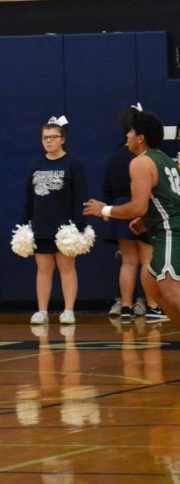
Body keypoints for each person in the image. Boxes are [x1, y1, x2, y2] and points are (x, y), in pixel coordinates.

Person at [84, 110, 180, 328]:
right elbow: (171, 201)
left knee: (172, 294)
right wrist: (146, 221)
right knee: (156, 291)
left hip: (170, 231)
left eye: (131, 132)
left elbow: (138, 206)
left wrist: (105, 210)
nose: (126, 136)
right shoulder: (167, 160)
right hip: (163, 230)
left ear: (140, 138)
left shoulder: (140, 163)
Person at [20, 117, 88, 326]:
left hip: (65, 228)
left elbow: (81, 196)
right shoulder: (36, 165)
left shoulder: (73, 165)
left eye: (53, 137)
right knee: (43, 268)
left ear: (62, 139)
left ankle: (68, 310)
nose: (48, 141)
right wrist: (26, 224)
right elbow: (28, 197)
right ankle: (42, 311)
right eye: (45, 138)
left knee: (67, 267)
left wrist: (78, 225)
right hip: (41, 225)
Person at [102, 106, 167, 323]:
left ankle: (127, 307)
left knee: (128, 262)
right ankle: (152, 307)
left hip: (123, 209)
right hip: (143, 209)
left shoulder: (114, 157)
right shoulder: (148, 158)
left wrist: (110, 209)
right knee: (147, 260)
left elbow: (107, 189)